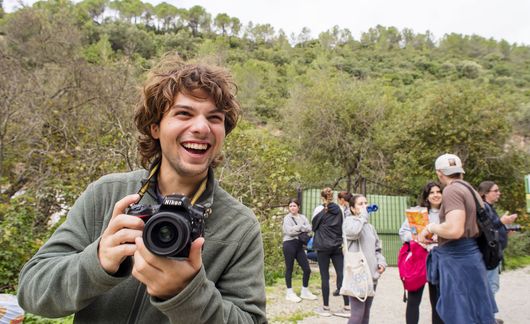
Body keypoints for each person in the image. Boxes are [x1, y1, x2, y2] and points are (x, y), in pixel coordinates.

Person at [17, 55, 267, 323]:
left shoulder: (240, 226)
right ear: (155, 127)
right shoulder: (106, 195)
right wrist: (98, 261)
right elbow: (32, 291)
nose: (201, 127)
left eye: (215, 118)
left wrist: (187, 294)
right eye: (184, 113)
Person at [418, 153, 497, 324]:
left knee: (460, 314)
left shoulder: (452, 190)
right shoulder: (470, 189)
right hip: (472, 256)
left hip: (457, 260)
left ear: (439, 173)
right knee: (476, 312)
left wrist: (430, 228)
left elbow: (454, 230)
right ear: (461, 170)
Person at [399, 182, 444, 324]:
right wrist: (417, 238)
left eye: (438, 191)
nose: (436, 195)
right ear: (426, 195)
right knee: (413, 300)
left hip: (440, 259)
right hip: (419, 258)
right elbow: (403, 232)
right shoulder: (417, 213)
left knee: (437, 301)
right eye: (432, 192)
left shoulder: (448, 213)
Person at [478, 181, 518, 324]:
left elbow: (493, 229)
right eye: (496, 190)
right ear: (485, 193)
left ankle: (488, 317)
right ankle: (486, 319)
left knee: (491, 286)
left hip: (493, 255)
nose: (498, 193)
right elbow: (487, 228)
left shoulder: (488, 208)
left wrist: (505, 232)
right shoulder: (484, 208)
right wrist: (502, 221)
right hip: (489, 256)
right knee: (490, 287)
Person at [343, 194, 386, 324]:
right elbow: (354, 232)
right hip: (358, 274)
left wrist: (381, 262)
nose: (365, 206)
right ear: (352, 209)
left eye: (365, 203)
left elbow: (377, 249)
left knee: (366, 315)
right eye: (360, 204)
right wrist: (362, 217)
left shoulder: (370, 227)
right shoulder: (349, 222)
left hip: (372, 276)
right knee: (357, 315)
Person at [311, 187, 350, 317]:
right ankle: (347, 307)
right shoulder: (340, 209)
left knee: (325, 276)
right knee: (341, 274)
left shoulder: (318, 209)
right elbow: (342, 227)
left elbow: (314, 227)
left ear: (322, 197)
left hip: (323, 247)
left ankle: (326, 308)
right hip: (337, 246)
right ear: (332, 197)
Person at [282, 199, 318, 302]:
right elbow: (289, 232)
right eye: (290, 206)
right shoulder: (287, 218)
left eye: (294, 206)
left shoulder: (302, 217)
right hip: (289, 244)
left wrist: (298, 228)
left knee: (307, 269)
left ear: (298, 207)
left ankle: (305, 291)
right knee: (289, 268)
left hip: (299, 246)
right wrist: (302, 227)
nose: (292, 208)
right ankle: (289, 293)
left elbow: (310, 228)